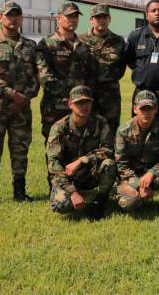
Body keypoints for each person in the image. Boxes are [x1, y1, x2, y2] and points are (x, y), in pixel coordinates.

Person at [0, 1, 39, 211]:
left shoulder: (30, 46)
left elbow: (36, 79)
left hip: (21, 110)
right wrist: (13, 95)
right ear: (0, 17)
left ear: (21, 18)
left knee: (20, 150)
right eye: (9, 15)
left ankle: (19, 192)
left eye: (16, 15)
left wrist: (25, 98)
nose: (13, 19)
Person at [36, 1, 95, 190]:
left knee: (78, 143)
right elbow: (45, 77)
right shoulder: (46, 44)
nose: (73, 19)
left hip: (80, 108)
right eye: (69, 16)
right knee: (54, 145)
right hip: (55, 106)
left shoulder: (83, 46)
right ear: (58, 18)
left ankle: (76, 184)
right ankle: (55, 186)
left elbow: (90, 75)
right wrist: (73, 96)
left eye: (75, 16)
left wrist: (83, 100)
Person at [46, 86, 116, 220]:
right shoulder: (59, 128)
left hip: (90, 174)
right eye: (79, 102)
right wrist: (72, 192)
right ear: (70, 104)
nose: (84, 106)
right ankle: (78, 196)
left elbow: (108, 150)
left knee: (109, 164)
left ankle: (99, 202)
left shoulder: (100, 123)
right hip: (68, 177)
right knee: (61, 205)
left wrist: (82, 160)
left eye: (87, 102)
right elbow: (54, 164)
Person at [115, 90, 159, 217]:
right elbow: (121, 164)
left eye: (150, 108)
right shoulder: (123, 131)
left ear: (156, 109)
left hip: (155, 174)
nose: (146, 113)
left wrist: (152, 173)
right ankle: (131, 195)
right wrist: (138, 184)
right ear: (135, 109)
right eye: (143, 109)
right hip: (133, 175)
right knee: (130, 204)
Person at [124, 0, 159, 135]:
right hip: (142, 94)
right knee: (138, 137)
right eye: (153, 11)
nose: (157, 13)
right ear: (146, 14)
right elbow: (129, 60)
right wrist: (144, 72)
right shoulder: (136, 36)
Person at [79, 3, 127, 134]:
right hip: (87, 94)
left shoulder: (118, 41)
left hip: (110, 95)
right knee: (88, 130)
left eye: (104, 17)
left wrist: (108, 79)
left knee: (110, 130)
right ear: (91, 20)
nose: (101, 20)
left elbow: (121, 67)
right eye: (98, 17)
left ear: (109, 19)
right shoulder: (80, 40)